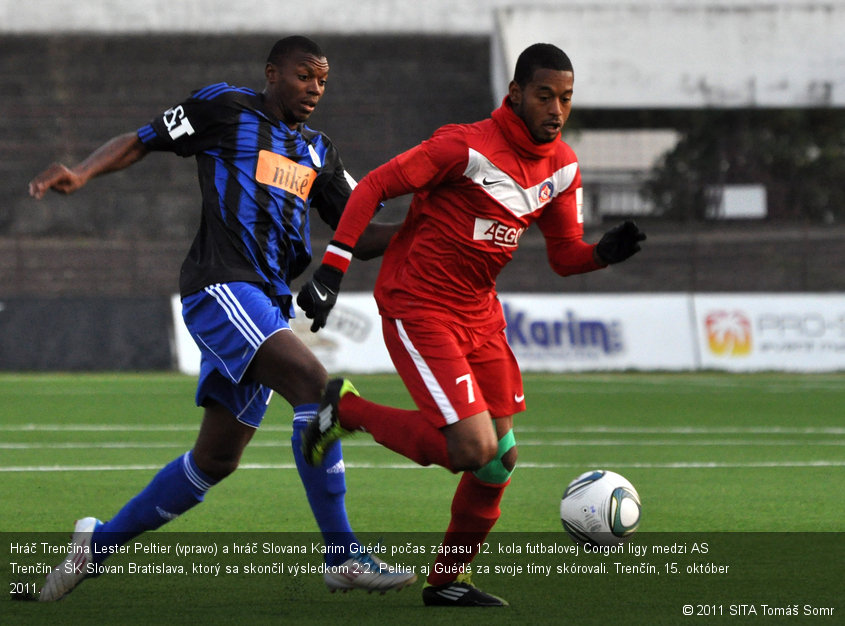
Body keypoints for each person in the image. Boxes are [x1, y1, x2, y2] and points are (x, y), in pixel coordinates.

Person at [28, 35, 414, 601]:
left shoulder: (320, 153)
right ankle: (344, 556)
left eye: (323, 81)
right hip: (221, 286)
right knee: (315, 386)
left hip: (269, 301)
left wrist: (429, 225)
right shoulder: (227, 109)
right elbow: (143, 139)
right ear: (272, 73)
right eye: (305, 76)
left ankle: (98, 544)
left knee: (214, 460)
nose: (315, 89)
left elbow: (360, 235)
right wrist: (84, 173)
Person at [297, 43, 646, 607]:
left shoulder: (562, 167)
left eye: (566, 98)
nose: (556, 109)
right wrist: (333, 269)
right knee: (470, 447)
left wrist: (601, 253)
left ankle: (445, 582)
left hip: (480, 313)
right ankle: (345, 410)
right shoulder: (462, 146)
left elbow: (564, 256)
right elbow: (374, 188)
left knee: (499, 459)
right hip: (420, 303)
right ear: (514, 94)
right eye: (544, 96)